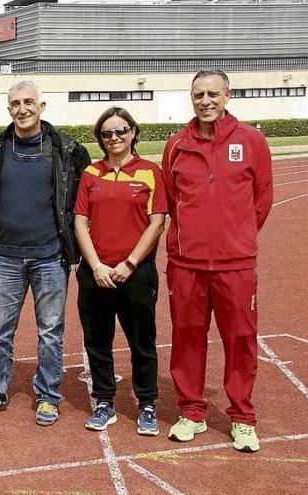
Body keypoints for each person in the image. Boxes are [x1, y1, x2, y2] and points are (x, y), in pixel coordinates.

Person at [0, 81, 90, 424]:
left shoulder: (67, 149)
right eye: (15, 104)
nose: (22, 109)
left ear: (42, 106)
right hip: (5, 257)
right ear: (9, 109)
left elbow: (83, 201)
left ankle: (49, 395)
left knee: (50, 331)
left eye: (28, 102)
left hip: (50, 256)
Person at [162, 69, 273, 453]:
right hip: (186, 264)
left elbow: (262, 198)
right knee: (187, 339)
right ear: (191, 98)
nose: (205, 101)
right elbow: (174, 201)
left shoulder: (252, 140)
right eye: (198, 94)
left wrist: (235, 238)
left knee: (240, 341)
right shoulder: (176, 144)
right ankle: (192, 412)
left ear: (228, 95)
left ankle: (242, 417)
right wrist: (193, 240)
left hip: (236, 265)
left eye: (213, 93)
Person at [74, 107, 166, 436]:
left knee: (142, 342)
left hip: (135, 274)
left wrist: (129, 264)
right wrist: (96, 265)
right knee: (97, 341)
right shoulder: (90, 173)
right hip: (96, 272)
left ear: (133, 132)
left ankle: (147, 403)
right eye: (107, 133)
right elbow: (80, 222)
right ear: (100, 138)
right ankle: (104, 401)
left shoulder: (150, 172)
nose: (114, 138)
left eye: (120, 131)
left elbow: (157, 223)